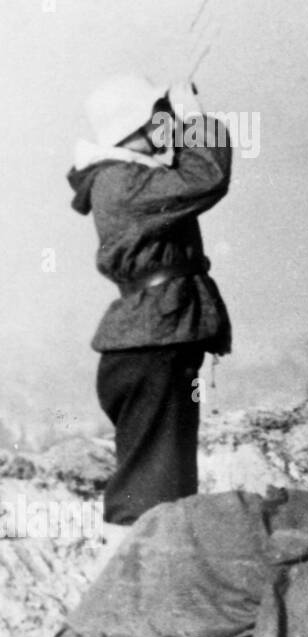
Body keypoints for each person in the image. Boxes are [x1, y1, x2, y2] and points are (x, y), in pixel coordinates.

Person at [67, 76, 233, 535]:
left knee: (165, 492)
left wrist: (177, 123)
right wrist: (195, 119)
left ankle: (151, 583)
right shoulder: (122, 182)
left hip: (154, 340)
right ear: (132, 128)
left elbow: (187, 176)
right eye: (157, 120)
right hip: (153, 344)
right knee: (151, 502)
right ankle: (142, 586)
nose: (168, 128)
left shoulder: (124, 177)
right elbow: (205, 177)